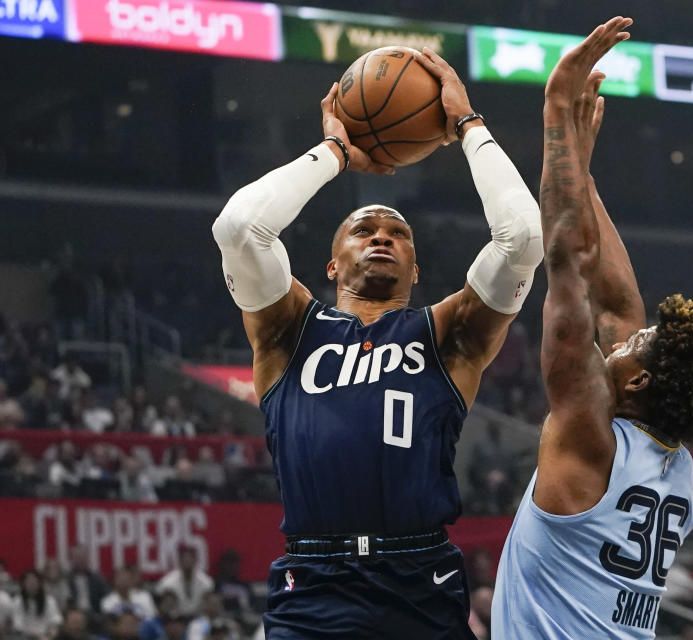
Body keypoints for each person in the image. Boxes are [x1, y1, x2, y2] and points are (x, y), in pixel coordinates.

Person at [212, 45, 543, 638]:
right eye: (363, 229)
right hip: (314, 581)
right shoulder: (291, 331)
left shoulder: (447, 336)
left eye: (399, 233)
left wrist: (468, 126)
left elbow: (522, 238)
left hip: (421, 579)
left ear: (416, 271)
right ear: (332, 265)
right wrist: (335, 152)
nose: (382, 237)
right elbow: (239, 228)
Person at [491, 17, 693, 638]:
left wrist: (556, 110)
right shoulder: (672, 462)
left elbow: (566, 263)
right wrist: (581, 172)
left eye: (636, 346)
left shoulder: (589, 436)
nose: (629, 334)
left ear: (636, 384)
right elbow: (616, 300)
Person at [154, 546, 213, 618]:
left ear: (195, 560)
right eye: (185, 559)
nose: (187, 562)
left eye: (190, 559)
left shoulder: (206, 582)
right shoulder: (167, 582)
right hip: (175, 619)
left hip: (198, 618)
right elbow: (160, 602)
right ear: (179, 561)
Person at [12, 568, 63, 639]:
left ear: (40, 583)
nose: (31, 583)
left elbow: (55, 622)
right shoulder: (17, 601)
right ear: (23, 584)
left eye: (34, 581)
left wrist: (49, 636)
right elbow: (17, 625)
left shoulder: (49, 601)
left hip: (45, 636)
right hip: (24, 636)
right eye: (28, 581)